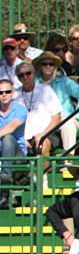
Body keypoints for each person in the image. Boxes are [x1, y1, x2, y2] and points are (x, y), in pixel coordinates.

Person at [34, 51, 79, 150]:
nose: (48, 66)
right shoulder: (34, 83)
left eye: (51, 64)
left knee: (68, 122)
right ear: (39, 66)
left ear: (55, 66)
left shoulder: (64, 81)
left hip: (64, 118)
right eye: (44, 64)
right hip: (42, 122)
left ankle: (68, 160)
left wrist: (76, 115)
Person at [14, 62, 60, 157]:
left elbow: (57, 117)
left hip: (45, 134)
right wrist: (21, 139)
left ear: (34, 74)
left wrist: (43, 134)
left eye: (28, 73)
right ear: (18, 78)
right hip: (23, 136)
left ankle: (44, 172)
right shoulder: (15, 94)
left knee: (42, 145)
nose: (25, 77)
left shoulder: (45, 89)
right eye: (21, 75)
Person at [0, 78, 26, 209]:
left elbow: (11, 127)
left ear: (13, 92)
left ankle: (6, 176)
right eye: (1, 92)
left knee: (8, 137)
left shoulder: (20, 109)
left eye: (7, 91)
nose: (4, 94)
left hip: (18, 156)